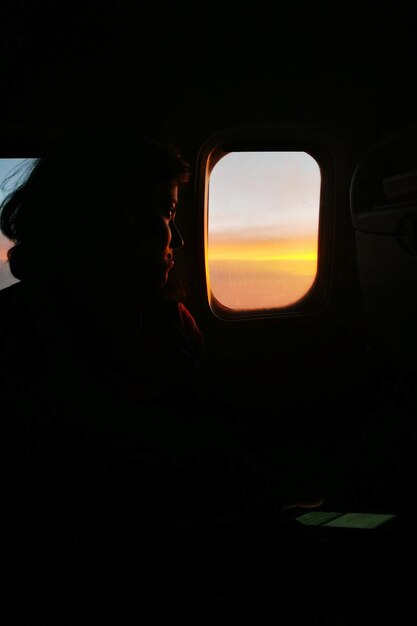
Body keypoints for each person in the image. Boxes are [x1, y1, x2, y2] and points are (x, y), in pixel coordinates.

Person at [0, 129, 323, 619]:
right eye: (166, 214)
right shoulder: (19, 337)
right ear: (109, 222)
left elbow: (212, 443)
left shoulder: (171, 322)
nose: (181, 238)